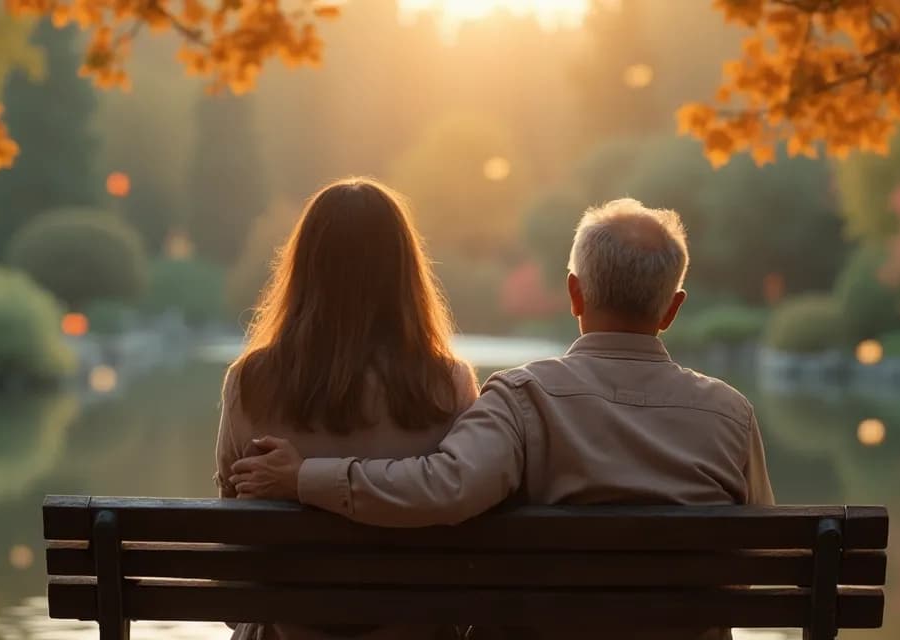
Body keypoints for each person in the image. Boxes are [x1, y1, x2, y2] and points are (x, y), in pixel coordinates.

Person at [230, 198, 775, 639]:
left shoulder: (523, 398)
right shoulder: (730, 414)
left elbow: (445, 489)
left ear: (574, 293)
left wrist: (306, 477)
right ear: (673, 308)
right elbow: (759, 558)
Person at [214, 177, 478, 640]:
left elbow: (232, 543)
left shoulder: (249, 384)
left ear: (303, 270)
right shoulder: (448, 386)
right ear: (404, 274)